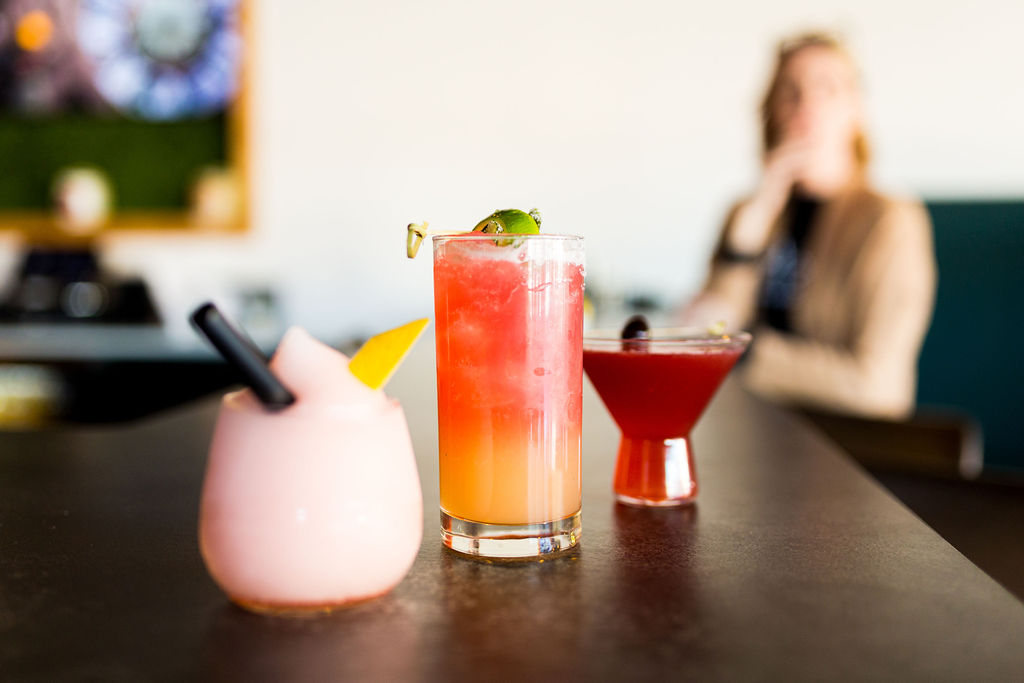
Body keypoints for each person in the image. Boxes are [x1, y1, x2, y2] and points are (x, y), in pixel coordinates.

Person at [684, 33, 936, 420]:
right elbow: (707, 331)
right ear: (771, 110)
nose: (807, 104)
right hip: (747, 423)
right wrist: (751, 229)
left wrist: (748, 355)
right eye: (790, 90)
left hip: (842, 435)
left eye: (827, 88)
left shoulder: (890, 219)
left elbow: (877, 385)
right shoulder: (746, 212)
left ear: (856, 109)